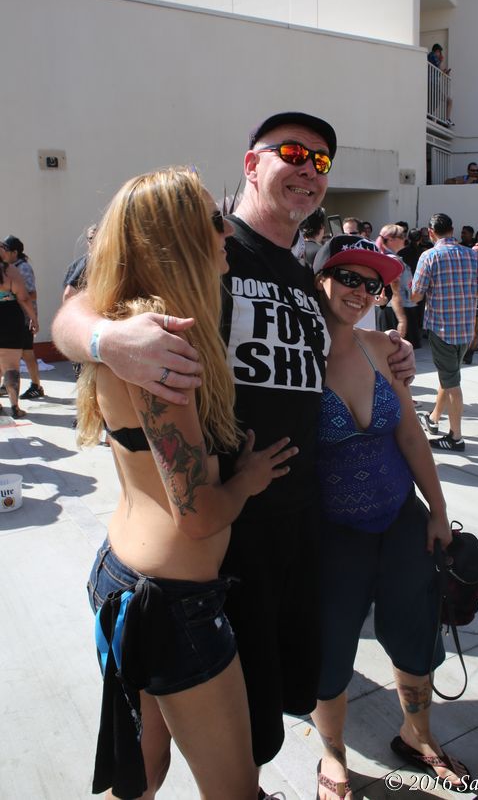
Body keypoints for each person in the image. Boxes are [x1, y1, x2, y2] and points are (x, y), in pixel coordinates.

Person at [51, 111, 416, 780]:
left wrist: (383, 347)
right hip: (219, 541)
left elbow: (328, 350)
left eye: (322, 161)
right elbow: (76, 305)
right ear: (251, 164)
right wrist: (108, 339)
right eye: (292, 153)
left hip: (293, 527)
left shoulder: (301, 275)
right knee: (229, 738)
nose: (309, 168)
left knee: (254, 711)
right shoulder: (201, 242)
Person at [80, 166, 300, 800]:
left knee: (142, 776)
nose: (227, 230)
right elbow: (197, 515)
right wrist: (248, 480)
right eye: (213, 220)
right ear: (174, 237)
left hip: (126, 575)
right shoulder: (162, 347)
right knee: (235, 791)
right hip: (172, 603)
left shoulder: (127, 326)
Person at [310, 235, 469, 798]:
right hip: (332, 537)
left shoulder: (383, 347)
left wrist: (438, 511)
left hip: (401, 522)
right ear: (320, 279)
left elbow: (410, 435)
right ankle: (333, 755)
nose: (361, 292)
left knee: (414, 633)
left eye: (373, 285)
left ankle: (417, 735)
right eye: (348, 277)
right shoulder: (294, 357)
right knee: (330, 649)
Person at [412, 213, 478, 452]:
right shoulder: (471, 255)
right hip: (465, 328)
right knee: (450, 375)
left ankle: (456, 437)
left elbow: (416, 295)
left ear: (430, 232)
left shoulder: (429, 256)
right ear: (452, 230)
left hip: (441, 327)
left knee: (452, 382)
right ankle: (434, 418)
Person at [0, 235, 44, 399]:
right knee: (8, 354)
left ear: (14, 252)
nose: (3, 253)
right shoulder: (7, 268)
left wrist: (12, 295)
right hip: (11, 320)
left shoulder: (23, 268)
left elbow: (31, 294)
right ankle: (7, 385)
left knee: (27, 354)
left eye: (6, 250)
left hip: (24, 319)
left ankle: (36, 386)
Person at [374, 224, 407, 336]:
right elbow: (395, 292)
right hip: (392, 312)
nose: (405, 239)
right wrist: (402, 319)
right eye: (401, 236)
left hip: (383, 309)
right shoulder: (393, 261)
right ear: (390, 239)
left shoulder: (381, 256)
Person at [63, 223, 98, 301]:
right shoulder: (87, 262)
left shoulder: (100, 261)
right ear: (87, 242)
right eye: (91, 238)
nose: (95, 242)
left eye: (98, 238)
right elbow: (68, 294)